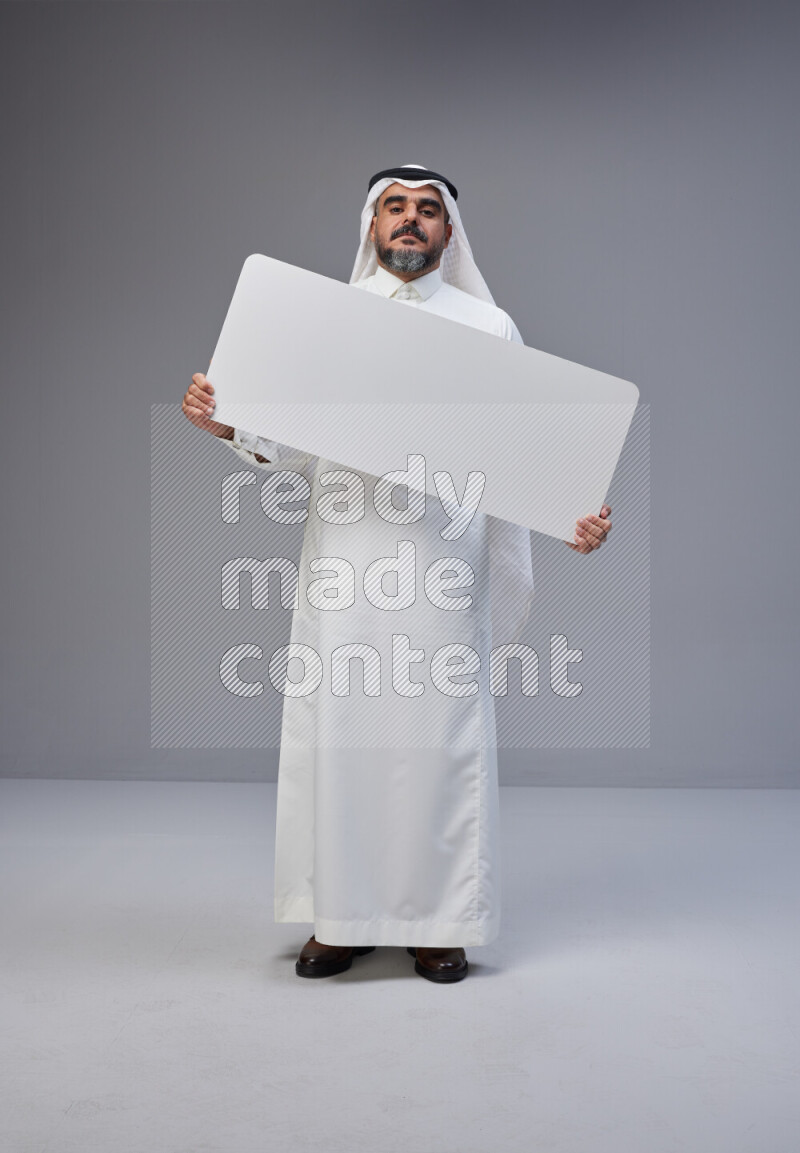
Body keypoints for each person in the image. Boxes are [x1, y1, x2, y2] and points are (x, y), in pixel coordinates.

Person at [182, 164, 612, 983]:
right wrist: (227, 420)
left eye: (426, 211)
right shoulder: (329, 323)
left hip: (443, 566)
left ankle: (438, 922)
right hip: (347, 560)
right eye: (395, 208)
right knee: (342, 737)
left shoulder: (490, 327)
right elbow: (286, 438)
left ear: (450, 233)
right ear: (371, 226)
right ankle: (341, 920)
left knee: (437, 743)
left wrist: (575, 517)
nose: (410, 222)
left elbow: (530, 452)